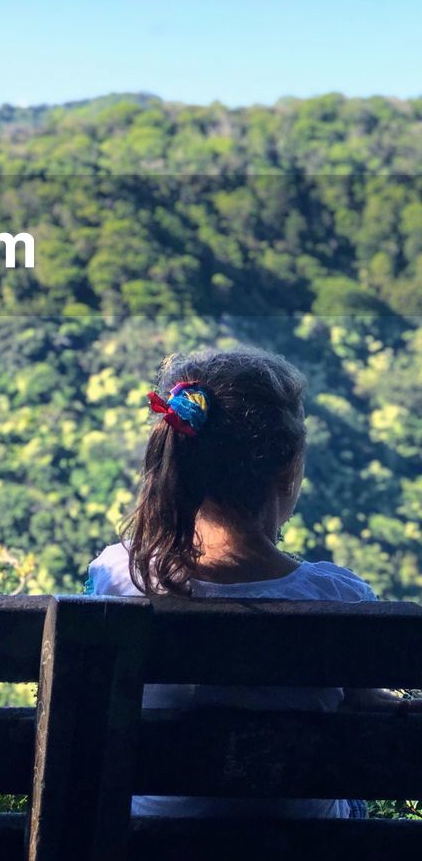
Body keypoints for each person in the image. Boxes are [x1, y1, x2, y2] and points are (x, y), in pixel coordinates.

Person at [86, 345, 402, 820]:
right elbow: (368, 714)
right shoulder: (339, 600)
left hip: (151, 854)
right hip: (304, 857)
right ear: (287, 472)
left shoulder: (117, 576)